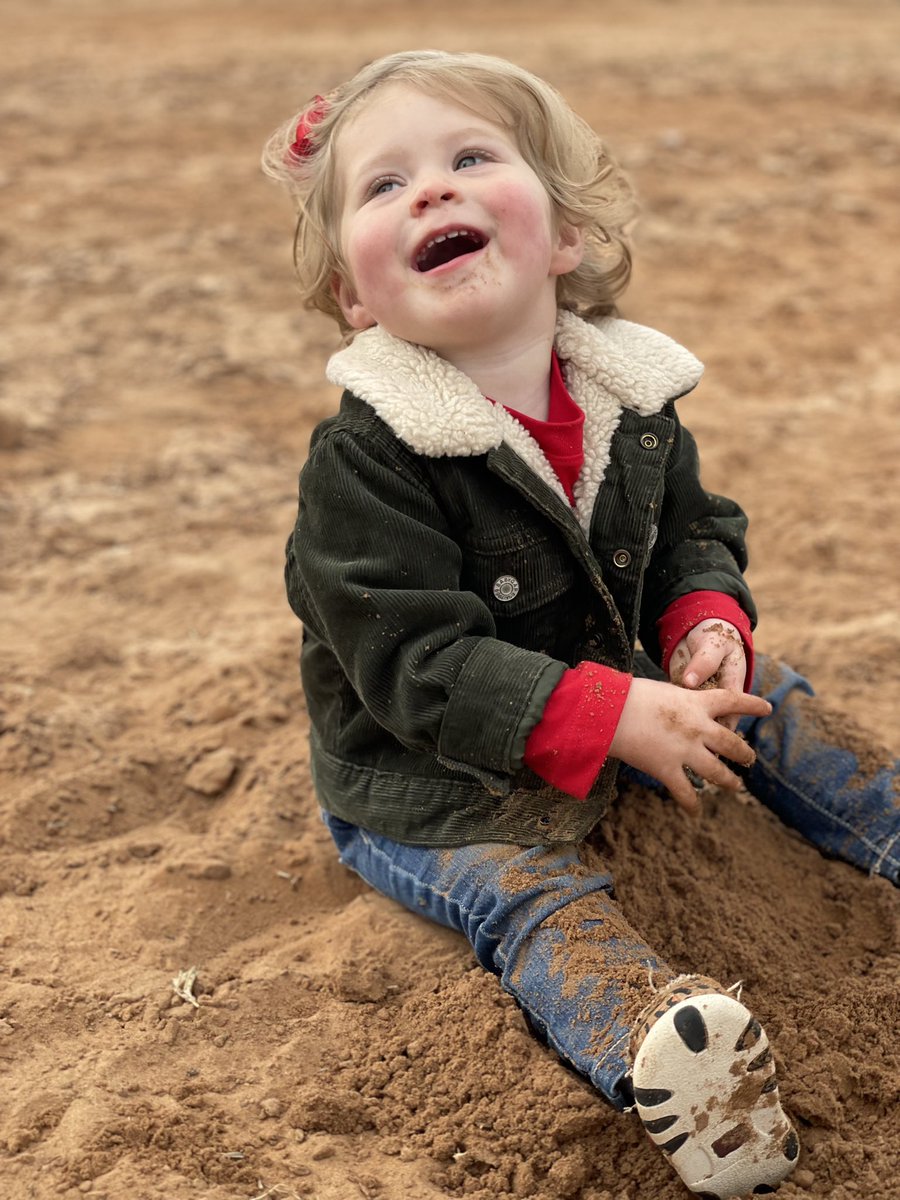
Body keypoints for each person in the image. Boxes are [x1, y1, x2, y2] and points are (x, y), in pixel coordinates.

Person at [262, 50, 899, 1199]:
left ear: (564, 233)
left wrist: (707, 621)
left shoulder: (629, 394)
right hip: (436, 779)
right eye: (383, 184)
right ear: (356, 295)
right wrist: (604, 713)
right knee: (524, 891)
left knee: (778, 700)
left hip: (621, 681)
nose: (431, 192)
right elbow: (415, 666)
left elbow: (696, 532)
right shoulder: (366, 461)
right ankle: (675, 1057)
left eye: (469, 159)